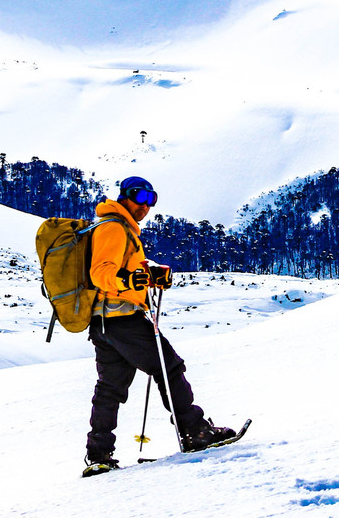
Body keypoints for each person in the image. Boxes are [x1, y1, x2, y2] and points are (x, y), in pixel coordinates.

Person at [83, 176, 236, 475]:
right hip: (123, 319)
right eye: (139, 197)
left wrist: (147, 274)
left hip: (104, 322)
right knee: (170, 368)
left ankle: (98, 455)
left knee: (110, 388)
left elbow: (120, 268)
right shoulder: (113, 226)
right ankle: (194, 431)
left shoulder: (120, 228)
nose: (145, 206)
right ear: (124, 196)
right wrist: (126, 280)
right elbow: (100, 272)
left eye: (151, 200)